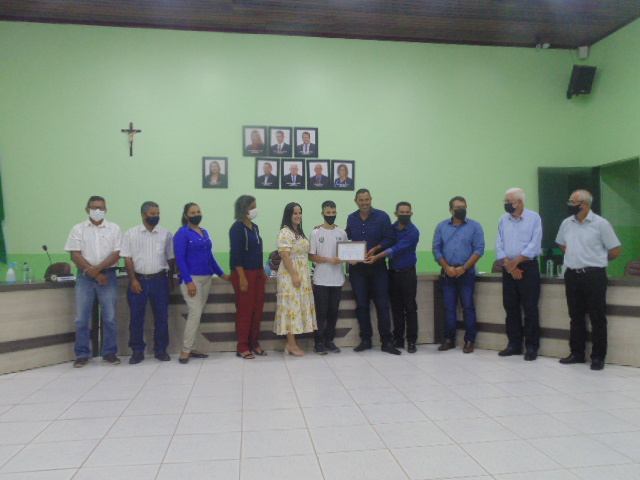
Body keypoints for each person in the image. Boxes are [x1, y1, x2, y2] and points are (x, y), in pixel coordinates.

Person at [556, 190, 622, 371]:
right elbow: (562, 244)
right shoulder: (566, 223)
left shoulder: (601, 224)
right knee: (575, 316)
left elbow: (615, 251)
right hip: (572, 274)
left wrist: (597, 260)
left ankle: (598, 357)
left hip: (594, 275)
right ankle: (577, 353)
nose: (570, 205)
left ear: (585, 204)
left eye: (573, 202)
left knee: (597, 317)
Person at [65, 195, 122, 367]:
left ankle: (109, 353)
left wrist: (97, 270)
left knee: (110, 317)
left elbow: (117, 253)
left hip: (108, 275)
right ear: (87, 209)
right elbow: (74, 255)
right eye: (94, 207)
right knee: (82, 318)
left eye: (101, 208)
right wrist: (95, 274)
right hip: (85, 277)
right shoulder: (78, 229)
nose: (97, 211)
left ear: (106, 210)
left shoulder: (114, 228)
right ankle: (82, 354)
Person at [174, 202, 230, 364]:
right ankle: (185, 350)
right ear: (186, 215)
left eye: (198, 211)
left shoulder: (204, 232)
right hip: (192, 279)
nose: (196, 215)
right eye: (192, 212)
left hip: (207, 278)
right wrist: (188, 281)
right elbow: (180, 259)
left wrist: (221, 274)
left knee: (197, 314)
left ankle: (193, 347)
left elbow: (210, 256)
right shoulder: (182, 233)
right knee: (195, 313)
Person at [346, 189, 401, 355]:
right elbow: (346, 237)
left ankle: (387, 341)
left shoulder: (382, 217)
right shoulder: (351, 218)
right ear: (355, 201)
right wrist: (325, 229)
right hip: (357, 270)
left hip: (378, 268)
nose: (364, 203)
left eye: (367, 199)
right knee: (362, 306)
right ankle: (365, 340)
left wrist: (376, 249)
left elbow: (391, 239)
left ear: (371, 199)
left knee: (382, 305)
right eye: (361, 200)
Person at [121, 201, 174, 364]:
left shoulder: (166, 234)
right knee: (136, 318)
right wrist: (133, 280)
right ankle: (137, 351)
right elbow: (127, 259)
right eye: (152, 214)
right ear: (143, 215)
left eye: (157, 214)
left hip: (160, 280)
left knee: (162, 317)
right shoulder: (131, 234)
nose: (156, 217)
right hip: (139, 281)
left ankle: (161, 349)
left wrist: (170, 279)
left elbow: (170, 258)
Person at [433, 196, 485, 354]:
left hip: (467, 273)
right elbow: (436, 249)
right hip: (448, 273)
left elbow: (479, 249)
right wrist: (447, 268)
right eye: (458, 208)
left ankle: (469, 341)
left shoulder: (475, 226)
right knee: (449, 308)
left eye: (463, 207)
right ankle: (449, 340)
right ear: (451, 210)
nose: (461, 210)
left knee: (468, 307)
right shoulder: (442, 226)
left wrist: (465, 267)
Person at [366, 202, 420, 353]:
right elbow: (384, 241)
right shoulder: (392, 229)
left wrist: (377, 256)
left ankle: (412, 341)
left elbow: (396, 249)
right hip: (392, 273)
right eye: (402, 212)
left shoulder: (413, 232)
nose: (404, 215)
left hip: (407, 273)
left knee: (410, 308)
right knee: (396, 308)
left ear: (411, 214)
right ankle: (398, 339)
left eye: (407, 212)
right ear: (396, 214)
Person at [496, 188, 542, 361]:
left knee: (530, 308)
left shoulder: (534, 218)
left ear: (520, 202)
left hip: (528, 267)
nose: (506, 204)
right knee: (510, 307)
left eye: (510, 201)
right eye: (505, 201)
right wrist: (510, 265)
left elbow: (534, 245)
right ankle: (513, 344)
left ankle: (531, 347)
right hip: (508, 268)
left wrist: (516, 263)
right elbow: (499, 244)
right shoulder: (503, 219)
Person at [274, 202, 316, 356]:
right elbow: (285, 255)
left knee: (298, 307)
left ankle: (292, 343)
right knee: (291, 308)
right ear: (289, 215)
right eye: (295, 213)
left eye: (300, 213)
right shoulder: (285, 232)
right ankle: (291, 344)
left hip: (301, 272)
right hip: (290, 275)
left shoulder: (298, 232)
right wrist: (294, 275)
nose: (298, 216)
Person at [229, 195, 267, 360]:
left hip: (257, 273)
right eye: (252, 207)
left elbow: (257, 251)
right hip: (243, 274)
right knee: (245, 311)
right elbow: (236, 254)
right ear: (244, 209)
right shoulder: (237, 228)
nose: (255, 210)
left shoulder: (255, 228)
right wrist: (242, 277)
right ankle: (242, 346)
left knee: (257, 310)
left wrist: (262, 271)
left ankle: (254, 342)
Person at [309, 201, 347, 354]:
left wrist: (349, 259)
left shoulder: (342, 233)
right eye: (328, 213)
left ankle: (329, 341)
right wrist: (328, 259)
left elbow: (346, 253)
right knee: (321, 313)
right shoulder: (315, 233)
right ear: (322, 214)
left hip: (337, 279)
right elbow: (311, 256)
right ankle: (318, 342)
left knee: (333, 312)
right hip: (321, 280)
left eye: (333, 213)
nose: (331, 215)